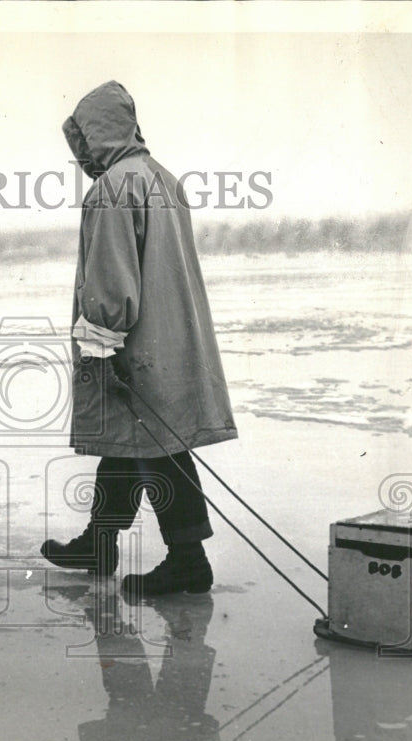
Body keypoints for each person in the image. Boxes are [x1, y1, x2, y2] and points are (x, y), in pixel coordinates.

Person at [40, 82, 238, 596]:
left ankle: (188, 560)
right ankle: (99, 542)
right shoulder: (162, 179)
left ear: (95, 134)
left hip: (135, 346)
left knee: (158, 450)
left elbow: (111, 281)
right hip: (172, 340)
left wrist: (101, 349)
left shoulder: (111, 190)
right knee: (132, 444)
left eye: (83, 138)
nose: (81, 151)